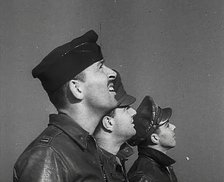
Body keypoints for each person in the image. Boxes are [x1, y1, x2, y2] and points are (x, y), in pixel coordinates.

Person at [13, 30, 118, 182]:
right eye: (100, 67)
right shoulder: (48, 155)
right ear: (77, 88)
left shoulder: (86, 149)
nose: (112, 73)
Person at [94, 70, 136, 182]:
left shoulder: (114, 161)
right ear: (108, 123)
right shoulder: (94, 170)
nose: (134, 112)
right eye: (126, 109)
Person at [127, 96, 178, 182]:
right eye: (167, 126)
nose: (174, 127)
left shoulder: (161, 166)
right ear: (154, 138)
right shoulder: (143, 177)